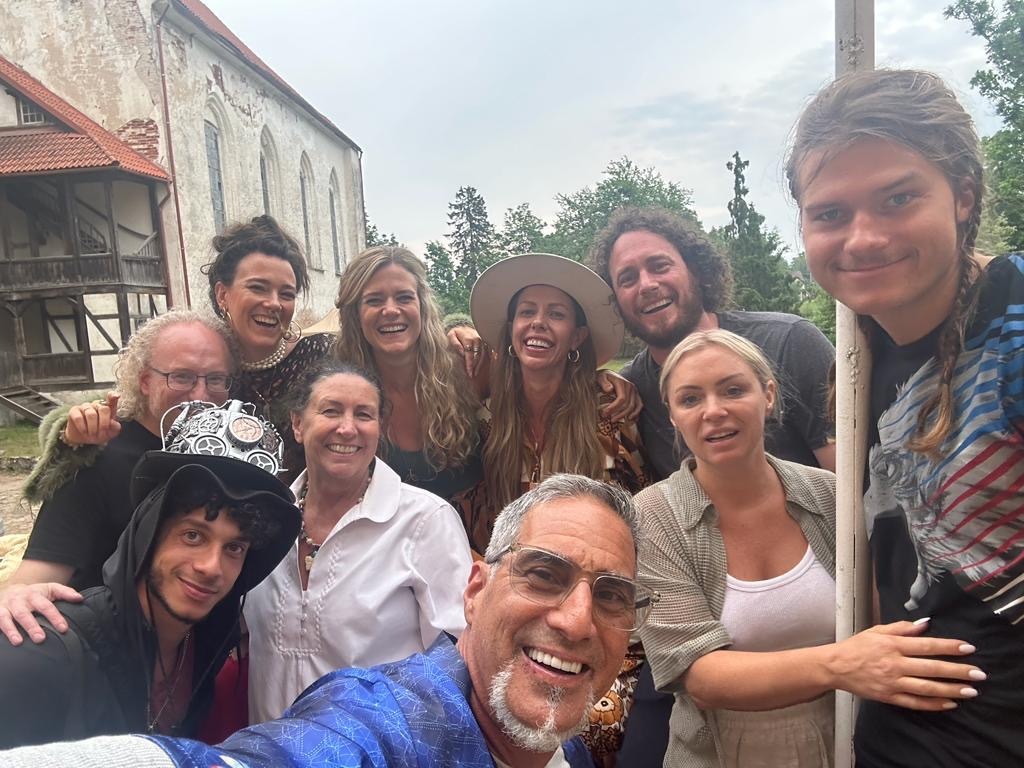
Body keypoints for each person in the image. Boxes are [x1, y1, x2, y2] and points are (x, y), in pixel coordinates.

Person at [0, 474, 656, 768]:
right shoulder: (392, 724)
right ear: (475, 591)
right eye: (542, 575)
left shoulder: (556, 734)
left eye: (611, 596)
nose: (575, 620)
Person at [786, 68, 1024, 767]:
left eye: (898, 198)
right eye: (830, 213)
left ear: (963, 196)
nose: (863, 238)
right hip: (900, 737)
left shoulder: (1011, 325)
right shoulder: (860, 352)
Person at [638, 329, 983, 767]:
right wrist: (841, 666)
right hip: (718, 752)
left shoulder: (833, 498)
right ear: (671, 415)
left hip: (849, 744)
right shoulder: (654, 516)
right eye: (690, 399)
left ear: (768, 395)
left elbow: (883, 615)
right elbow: (698, 676)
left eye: (733, 389)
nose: (714, 411)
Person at [0, 401, 300, 748]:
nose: (210, 567)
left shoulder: (205, 646)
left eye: (234, 547)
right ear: (149, 532)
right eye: (193, 535)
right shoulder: (43, 655)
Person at [245, 361, 473, 723]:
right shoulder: (263, 521)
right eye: (330, 410)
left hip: (379, 755)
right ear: (298, 424)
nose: (347, 428)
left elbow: (462, 654)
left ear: (379, 429)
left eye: (364, 415)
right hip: (268, 752)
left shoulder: (424, 520)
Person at [0, 309, 234, 645]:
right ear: (144, 380)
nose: (200, 395)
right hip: (107, 664)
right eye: (181, 377)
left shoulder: (221, 457)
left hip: (190, 666)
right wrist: (15, 596)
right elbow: (38, 575)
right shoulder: (97, 454)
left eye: (215, 379)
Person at [589, 206, 836, 481]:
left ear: (696, 270)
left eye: (660, 266)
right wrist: (600, 379)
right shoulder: (630, 394)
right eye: (627, 278)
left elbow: (853, 483)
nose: (646, 285)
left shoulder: (789, 343)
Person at [462, 252, 647, 555]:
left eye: (556, 314)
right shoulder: (487, 417)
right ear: (511, 330)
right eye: (527, 312)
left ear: (577, 337)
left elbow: (637, 510)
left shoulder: (609, 411)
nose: (538, 323)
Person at [334, 246, 484, 502]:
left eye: (404, 297)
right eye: (374, 300)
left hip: (472, 539)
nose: (391, 310)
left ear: (422, 306)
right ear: (355, 315)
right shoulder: (336, 392)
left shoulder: (466, 367)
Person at [205, 214, 334, 480]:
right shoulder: (199, 363)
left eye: (286, 294)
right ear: (222, 295)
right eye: (258, 288)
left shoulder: (321, 357)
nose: (274, 303)